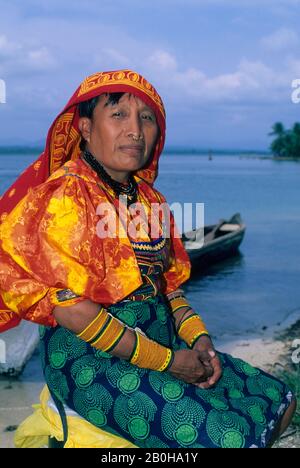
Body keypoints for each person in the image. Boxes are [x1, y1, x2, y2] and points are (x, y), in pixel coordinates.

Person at [0, 69, 296, 448]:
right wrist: (170, 363)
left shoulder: (149, 200)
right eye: (119, 114)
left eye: (147, 117)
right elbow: (72, 310)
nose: (136, 130)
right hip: (91, 360)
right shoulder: (66, 198)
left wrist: (200, 339)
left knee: (276, 398)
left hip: (163, 345)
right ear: (87, 128)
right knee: (230, 437)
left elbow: (168, 289)